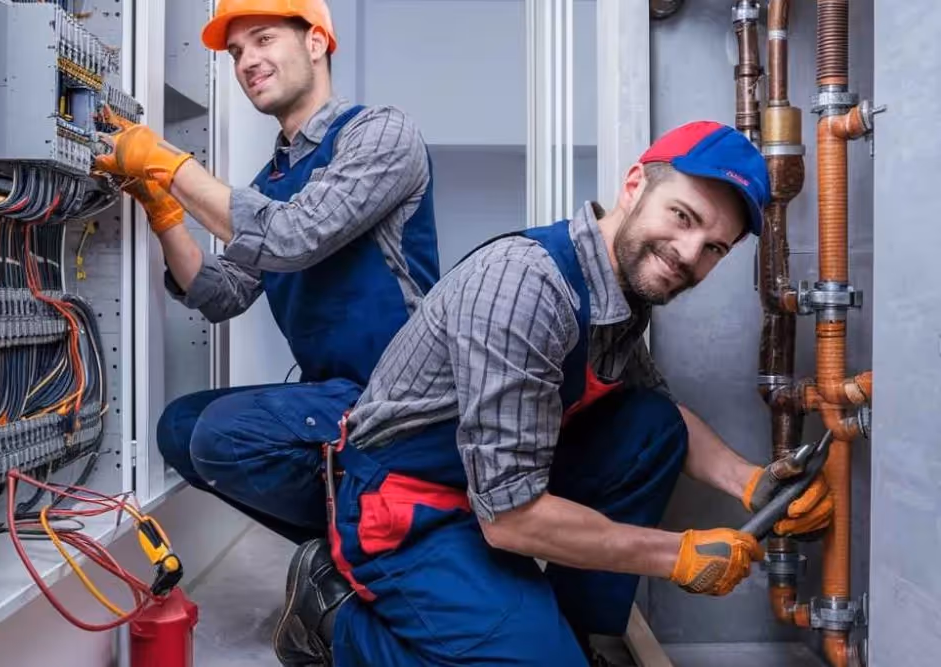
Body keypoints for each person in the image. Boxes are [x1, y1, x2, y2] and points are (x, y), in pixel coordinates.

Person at [272, 121, 835, 666]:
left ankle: (567, 632)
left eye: (714, 248)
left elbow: (664, 418)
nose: (690, 254)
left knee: (651, 426)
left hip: (482, 489)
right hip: (406, 506)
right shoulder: (526, 285)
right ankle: (332, 620)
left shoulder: (618, 291)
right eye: (682, 217)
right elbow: (510, 518)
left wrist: (750, 482)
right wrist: (678, 554)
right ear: (635, 185)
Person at [93, 0, 439, 544]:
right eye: (236, 52)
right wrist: (164, 214)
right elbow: (222, 294)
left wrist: (167, 161)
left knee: (221, 435)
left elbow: (294, 235)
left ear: (316, 43)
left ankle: (376, 540)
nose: (247, 61)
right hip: (335, 394)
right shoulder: (271, 182)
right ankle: (344, 548)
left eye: (264, 39)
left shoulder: (379, 134)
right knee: (181, 429)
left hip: (400, 398)